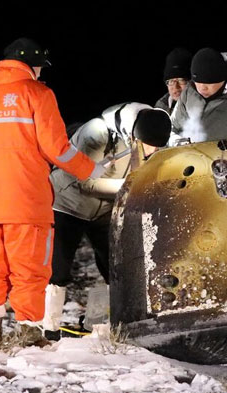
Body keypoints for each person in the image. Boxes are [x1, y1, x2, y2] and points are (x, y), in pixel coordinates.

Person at [0, 37, 106, 349]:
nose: (41, 72)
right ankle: (28, 335)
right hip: (26, 201)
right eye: (40, 67)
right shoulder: (38, 94)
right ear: (32, 65)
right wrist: (91, 169)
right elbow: (58, 149)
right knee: (30, 269)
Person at [45, 102, 171, 335]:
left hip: (104, 208)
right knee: (59, 268)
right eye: (148, 146)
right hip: (68, 203)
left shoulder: (151, 131)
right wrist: (132, 186)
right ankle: (48, 327)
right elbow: (87, 182)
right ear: (134, 133)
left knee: (112, 267)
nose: (151, 151)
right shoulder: (97, 132)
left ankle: (98, 322)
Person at [155, 47, 192, 114]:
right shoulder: (160, 109)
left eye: (181, 80)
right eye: (171, 81)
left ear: (191, 81)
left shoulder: (205, 109)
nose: (175, 87)